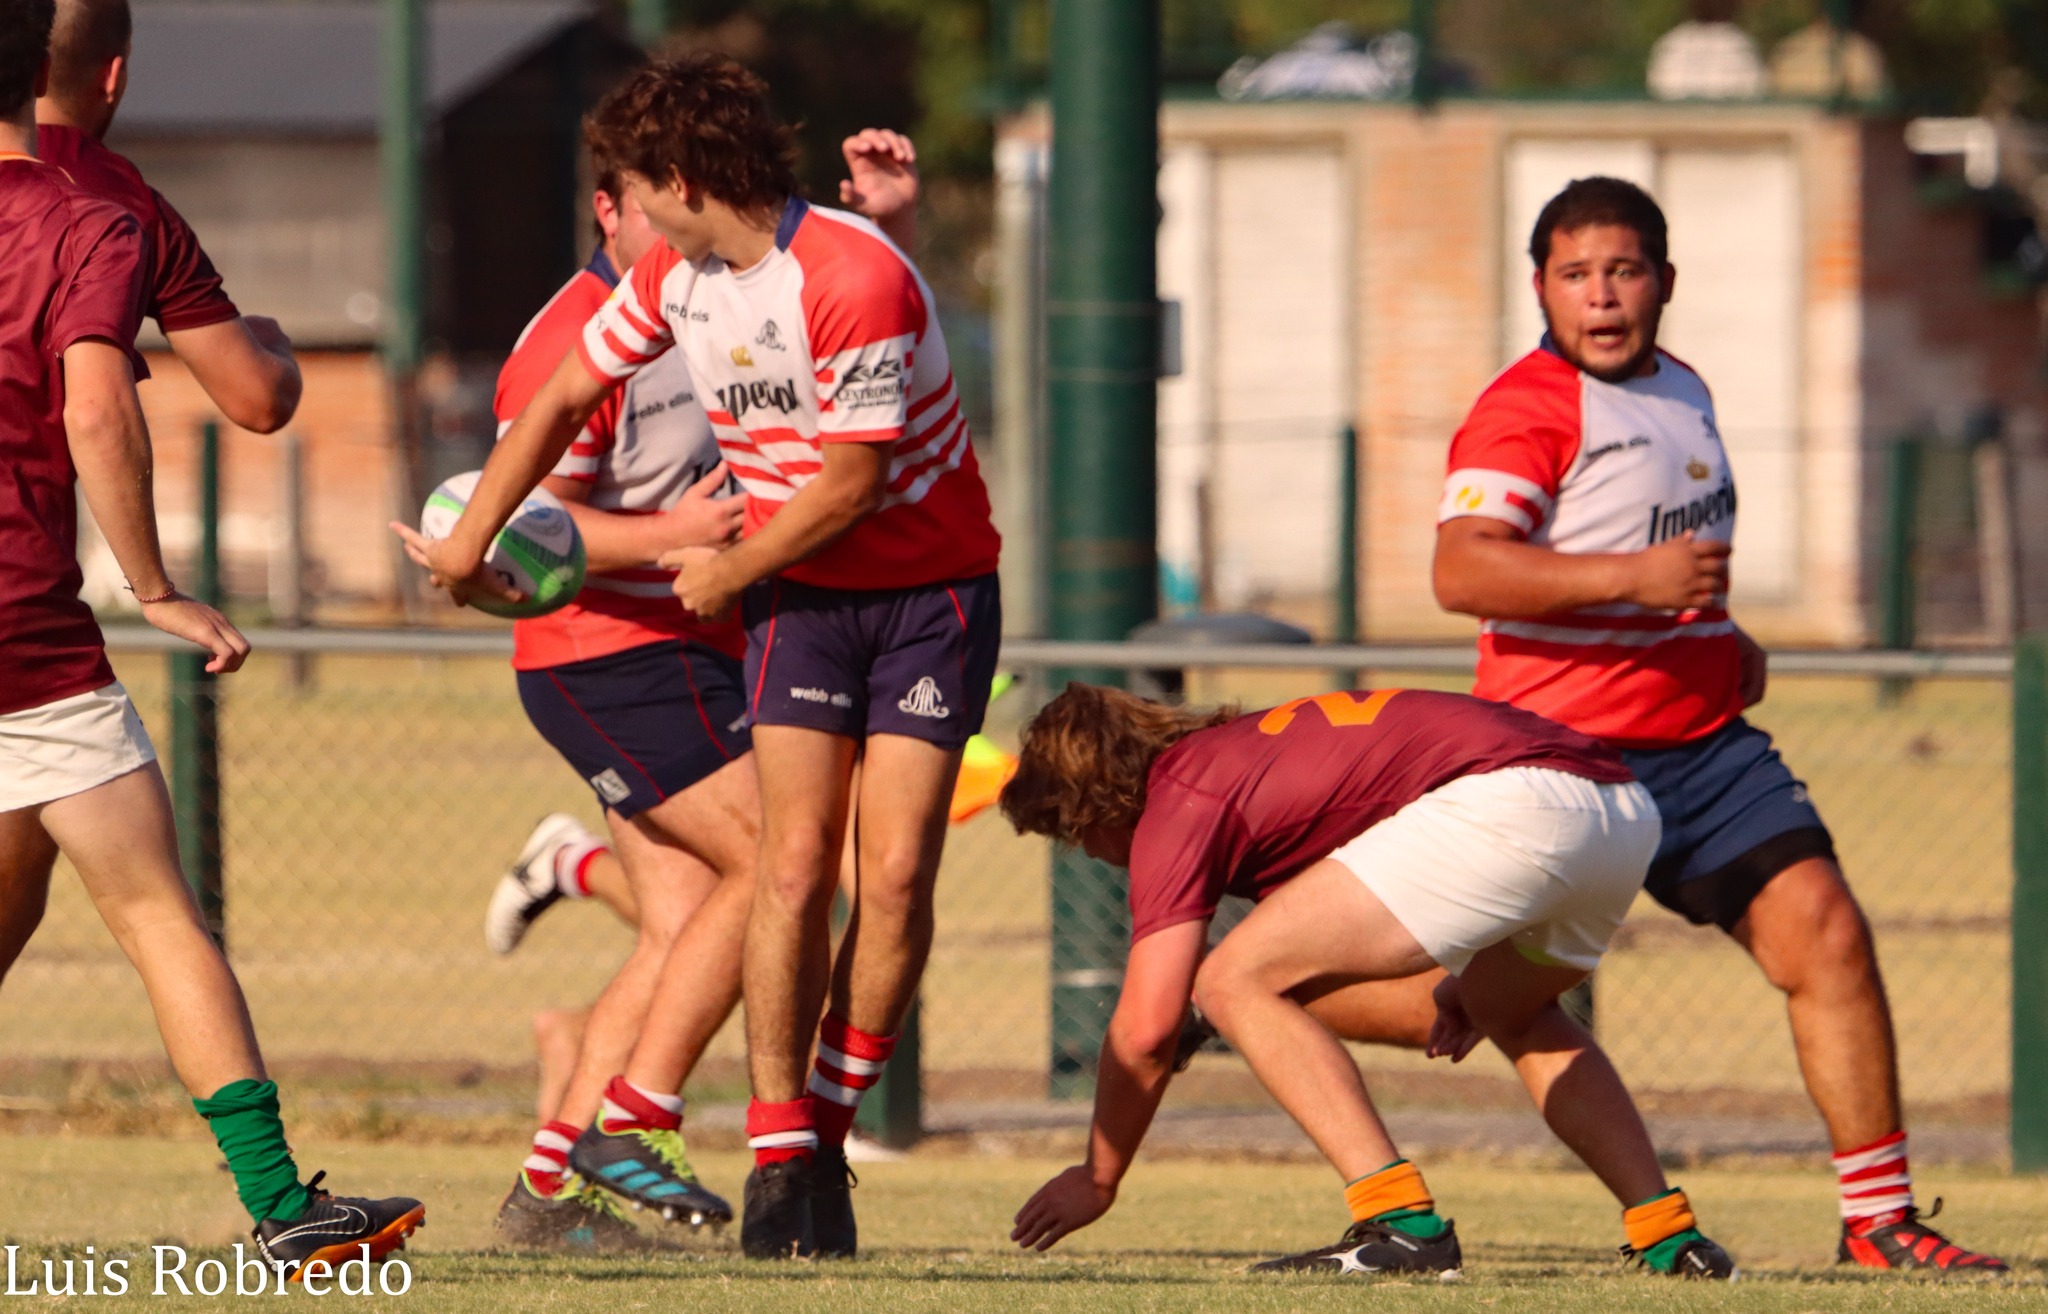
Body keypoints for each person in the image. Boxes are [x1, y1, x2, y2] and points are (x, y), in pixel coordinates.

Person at [401, 55, 1001, 1260]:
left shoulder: (847, 273)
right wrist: (469, 542)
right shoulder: (675, 274)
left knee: (885, 881)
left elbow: (852, 480)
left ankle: (814, 1136)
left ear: (674, 180)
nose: (618, 213)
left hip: (924, 597)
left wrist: (720, 564)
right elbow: (567, 394)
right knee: (779, 875)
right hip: (786, 605)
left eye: (628, 186)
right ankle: (766, 1146)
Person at [1422, 176, 2006, 1274]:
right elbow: (1461, 571)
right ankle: (1256, 1008)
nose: (1599, 297)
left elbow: (1671, 549)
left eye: (1622, 271)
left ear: (1663, 282)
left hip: (1700, 750)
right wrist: (1632, 580)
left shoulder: (1683, 388)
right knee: (1455, 1003)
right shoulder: (1523, 409)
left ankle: (1877, 1225)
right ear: (1538, 288)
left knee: (1826, 933)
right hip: (1560, 764)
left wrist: (1719, 634)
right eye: (1573, 275)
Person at [0, 0, 420, 1277]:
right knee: (159, 915)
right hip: (25, 635)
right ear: (99, 74)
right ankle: (286, 1210)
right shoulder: (96, 217)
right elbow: (103, 414)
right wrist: (155, 584)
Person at [999, 684, 1734, 1279]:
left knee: (1231, 979)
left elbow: (1144, 1029)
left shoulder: (1176, 799)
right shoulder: (1241, 758)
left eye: (1074, 833)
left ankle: (1402, 1225)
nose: (1090, 856)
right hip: (1619, 814)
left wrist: (1099, 1175)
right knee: (1508, 1011)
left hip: (1507, 806)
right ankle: (1669, 1236)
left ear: (1097, 798)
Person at [0, 0, 304, 1003]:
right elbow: (252, 400)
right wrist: (275, 350)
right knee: (150, 905)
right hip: (29, 612)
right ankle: (263, 1171)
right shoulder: (112, 201)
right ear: (114, 75)